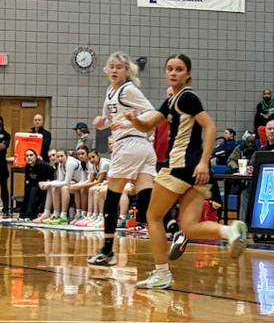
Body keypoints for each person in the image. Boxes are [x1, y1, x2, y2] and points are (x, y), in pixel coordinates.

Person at [122, 54, 248, 290]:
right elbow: (149, 125)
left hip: (181, 167)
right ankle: (230, 231)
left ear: (188, 74)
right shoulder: (172, 101)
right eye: (169, 68)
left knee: (153, 217)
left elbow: (210, 127)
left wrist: (203, 161)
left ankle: (162, 273)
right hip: (195, 172)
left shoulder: (187, 97)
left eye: (179, 69)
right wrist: (134, 120)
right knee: (188, 226)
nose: (173, 73)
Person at [86, 53, 159, 265]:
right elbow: (109, 120)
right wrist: (102, 123)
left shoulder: (128, 89)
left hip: (129, 144)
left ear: (127, 71)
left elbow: (151, 112)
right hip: (143, 148)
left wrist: (128, 123)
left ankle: (107, 251)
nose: (115, 70)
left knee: (112, 196)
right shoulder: (111, 91)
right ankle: (171, 225)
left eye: (120, 67)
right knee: (146, 195)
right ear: (106, 70)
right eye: (112, 67)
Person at [20, 148, 55, 221]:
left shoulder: (40, 165)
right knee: (27, 189)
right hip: (37, 183)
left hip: (49, 183)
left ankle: (31, 215)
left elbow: (40, 181)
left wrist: (30, 183)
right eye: (27, 156)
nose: (29, 157)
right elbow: (27, 181)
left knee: (34, 190)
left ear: (35, 157)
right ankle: (23, 214)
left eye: (31, 155)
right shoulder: (28, 166)